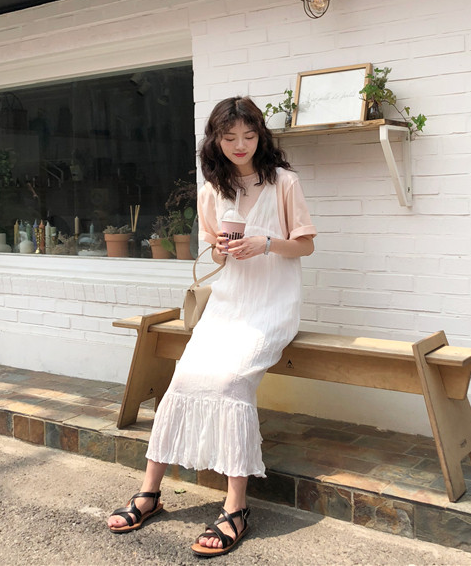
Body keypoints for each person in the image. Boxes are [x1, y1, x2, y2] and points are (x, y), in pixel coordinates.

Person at [107, 97, 316, 557]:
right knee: (182, 379)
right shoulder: (211, 190)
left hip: (270, 306)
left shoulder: (284, 182)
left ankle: (236, 507)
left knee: (230, 382)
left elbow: (305, 246)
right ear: (215, 141)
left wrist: (265, 243)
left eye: (249, 135)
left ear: (261, 136)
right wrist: (223, 249)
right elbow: (213, 253)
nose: (240, 145)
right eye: (230, 137)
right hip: (226, 303)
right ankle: (149, 492)